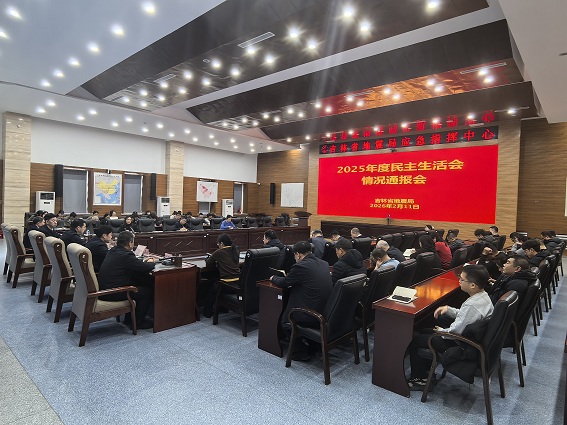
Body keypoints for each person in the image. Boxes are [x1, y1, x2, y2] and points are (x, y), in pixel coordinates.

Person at [407, 265, 494, 390]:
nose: (459, 281)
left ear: (472, 285)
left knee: (415, 339)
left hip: (462, 344)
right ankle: (427, 372)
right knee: (423, 331)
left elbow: (456, 331)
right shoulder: (483, 297)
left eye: (462, 279)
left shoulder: (472, 305)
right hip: (469, 340)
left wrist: (441, 331)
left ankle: (420, 379)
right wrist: (449, 309)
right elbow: (465, 316)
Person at [270, 241, 333, 361]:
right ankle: (314, 346)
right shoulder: (324, 263)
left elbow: (285, 282)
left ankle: (300, 351)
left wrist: (274, 278)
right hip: (324, 310)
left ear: (298, 254)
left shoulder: (300, 266)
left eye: (294, 255)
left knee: (286, 321)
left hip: (311, 314)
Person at [98, 231, 155, 329]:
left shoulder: (113, 250)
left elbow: (131, 264)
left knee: (141, 282)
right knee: (146, 291)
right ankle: (137, 322)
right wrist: (151, 262)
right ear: (130, 243)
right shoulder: (126, 255)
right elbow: (146, 267)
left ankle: (129, 319)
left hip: (105, 289)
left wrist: (140, 262)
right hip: (112, 293)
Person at [203, 233, 241, 318]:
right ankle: (223, 308)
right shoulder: (235, 251)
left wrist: (209, 258)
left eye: (218, 244)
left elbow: (208, 263)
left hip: (228, 285)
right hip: (238, 284)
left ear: (222, 244)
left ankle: (207, 313)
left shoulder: (219, 252)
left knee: (211, 287)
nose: (218, 246)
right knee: (216, 279)